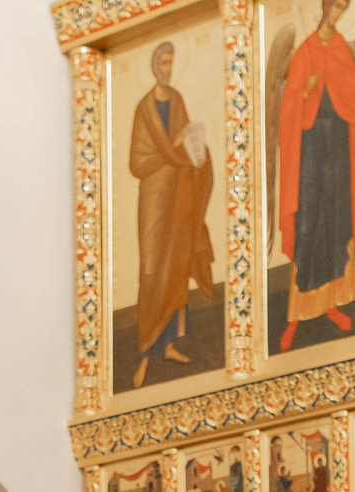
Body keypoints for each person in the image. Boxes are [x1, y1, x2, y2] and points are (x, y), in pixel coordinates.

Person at [275, 0, 355, 352]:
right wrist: (304, 92)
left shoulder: (341, 47)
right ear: (325, 7)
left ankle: (333, 304)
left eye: (344, 7)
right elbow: (289, 105)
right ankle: (296, 314)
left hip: (337, 148)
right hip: (310, 149)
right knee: (309, 223)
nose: (338, 13)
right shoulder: (305, 51)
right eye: (335, 6)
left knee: (337, 220)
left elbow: (351, 90)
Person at [129, 39, 218, 388]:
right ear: (154, 66)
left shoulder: (177, 100)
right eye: (162, 62)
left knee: (175, 267)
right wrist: (171, 151)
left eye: (170, 62)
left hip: (179, 194)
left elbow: (187, 142)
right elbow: (137, 162)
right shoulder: (143, 109)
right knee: (151, 271)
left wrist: (196, 153)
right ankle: (143, 354)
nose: (166, 68)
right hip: (153, 197)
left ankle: (166, 347)